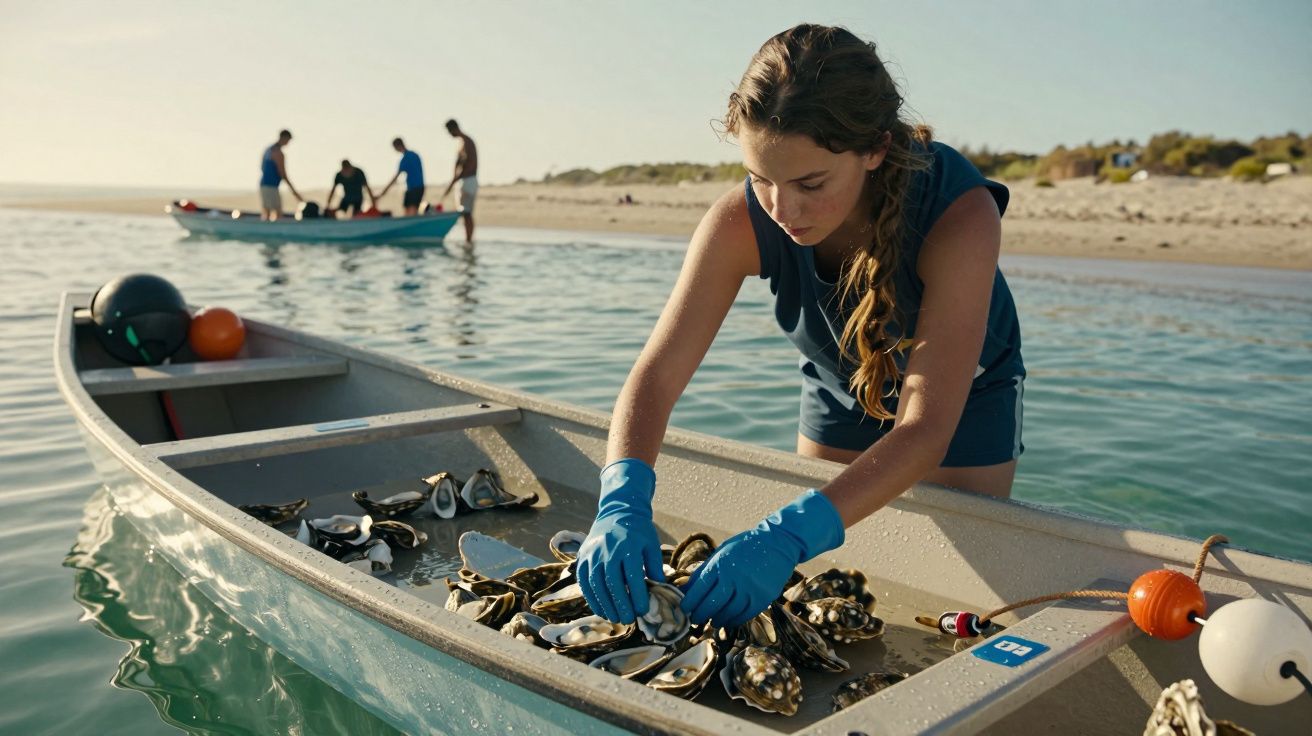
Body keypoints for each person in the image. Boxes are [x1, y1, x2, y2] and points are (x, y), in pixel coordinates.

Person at [575, 24, 1025, 630]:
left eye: (810, 184)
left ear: (874, 150)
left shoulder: (960, 216)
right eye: (761, 180)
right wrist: (622, 493)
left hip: (963, 405)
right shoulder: (740, 221)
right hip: (838, 388)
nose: (782, 212)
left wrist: (783, 535)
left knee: (953, 600)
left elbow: (924, 430)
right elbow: (656, 376)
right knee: (820, 601)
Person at [438, 119, 478, 242]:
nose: (450, 134)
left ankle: (469, 241)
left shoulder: (466, 142)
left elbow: (469, 164)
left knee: (466, 213)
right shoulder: (462, 142)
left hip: (468, 180)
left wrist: (456, 178)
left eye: (450, 131)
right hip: (464, 180)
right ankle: (467, 240)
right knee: (465, 213)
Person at [258, 129, 302, 221]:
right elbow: (283, 174)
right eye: (288, 140)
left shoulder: (268, 149)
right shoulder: (278, 153)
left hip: (265, 184)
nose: (288, 143)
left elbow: (262, 167)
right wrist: (294, 192)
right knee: (277, 212)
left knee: (267, 212)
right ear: (284, 138)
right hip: (270, 186)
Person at [378, 137, 425, 215]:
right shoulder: (415, 155)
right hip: (418, 187)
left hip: (414, 188)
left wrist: (383, 192)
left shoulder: (405, 159)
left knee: (410, 211)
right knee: (410, 209)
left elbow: (395, 178)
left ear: (397, 146)